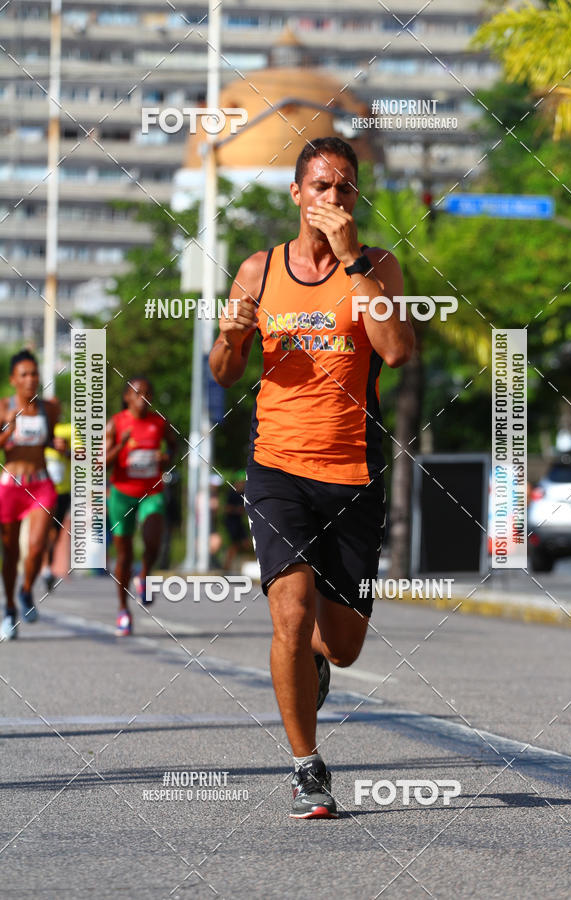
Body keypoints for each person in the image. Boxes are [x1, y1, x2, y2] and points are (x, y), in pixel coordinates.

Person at [209, 137, 415, 818]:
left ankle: (317, 663)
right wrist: (232, 336)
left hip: (353, 470)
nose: (332, 198)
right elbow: (222, 371)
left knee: (346, 645)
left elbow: (397, 350)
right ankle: (307, 766)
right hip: (277, 469)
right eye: (320, 186)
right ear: (296, 194)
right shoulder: (257, 270)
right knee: (290, 613)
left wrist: (355, 261)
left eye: (345, 188)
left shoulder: (378, 265)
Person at [105, 377, 177, 637]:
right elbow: (101, 462)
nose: (142, 398)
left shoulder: (159, 422)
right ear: (127, 397)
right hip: (122, 494)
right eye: (137, 393)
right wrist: (121, 445)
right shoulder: (116, 423)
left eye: (147, 394)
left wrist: (165, 457)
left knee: (153, 540)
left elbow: (173, 447)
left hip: (151, 492)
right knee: (123, 556)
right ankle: (123, 609)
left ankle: (144, 574)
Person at [0, 349, 59, 640]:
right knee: (10, 553)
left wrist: (61, 446)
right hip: (11, 487)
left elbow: (50, 441)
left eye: (34, 374)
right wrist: (7, 429)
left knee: (36, 547)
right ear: (13, 379)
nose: (30, 379)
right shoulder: (3, 407)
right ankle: (10, 607)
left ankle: (26, 592)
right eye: (24, 374)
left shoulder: (50, 408)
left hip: (40, 485)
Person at [42, 421, 71, 592]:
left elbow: (82, 458)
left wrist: (66, 451)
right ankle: (41, 564)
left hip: (61, 493)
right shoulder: (39, 441)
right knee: (41, 531)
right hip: (40, 493)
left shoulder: (65, 437)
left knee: (53, 534)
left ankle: (47, 568)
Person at [223, 472, 250, 572]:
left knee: (245, 544)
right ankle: (226, 567)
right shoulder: (232, 493)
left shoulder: (244, 494)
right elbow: (226, 508)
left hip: (239, 522)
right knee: (234, 545)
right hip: (231, 522)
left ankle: (236, 566)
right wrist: (237, 510)